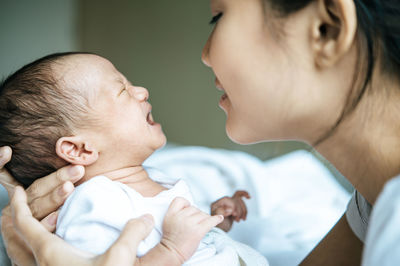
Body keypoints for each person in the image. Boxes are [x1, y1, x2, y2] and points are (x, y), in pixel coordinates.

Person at [2, 0, 400, 264]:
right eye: (121, 89)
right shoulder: (375, 207)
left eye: (219, 17)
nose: (204, 52)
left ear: (327, 28)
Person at [0, 52, 267, 265]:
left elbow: (181, 240)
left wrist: (212, 219)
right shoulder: (93, 204)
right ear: (80, 150)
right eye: (122, 90)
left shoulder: (156, 177)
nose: (141, 91)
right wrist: (171, 249)